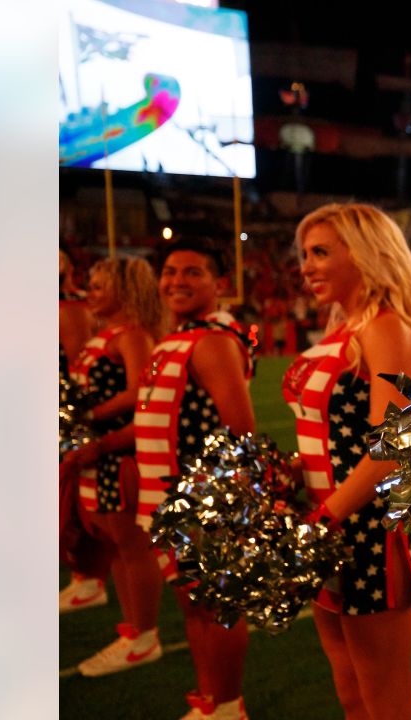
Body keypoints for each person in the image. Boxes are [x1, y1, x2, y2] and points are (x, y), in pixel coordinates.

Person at [285, 203, 411, 720]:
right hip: (327, 526)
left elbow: (393, 447)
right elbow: (328, 434)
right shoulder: (341, 330)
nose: (307, 266)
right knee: (350, 690)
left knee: (385, 699)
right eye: (305, 254)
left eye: (322, 252)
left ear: (367, 255)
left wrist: (323, 519)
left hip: (363, 529)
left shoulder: (385, 327)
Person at [133, 238, 256, 720]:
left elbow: (240, 431)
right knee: (193, 607)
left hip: (200, 501)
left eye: (192, 272)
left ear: (219, 284)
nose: (176, 281)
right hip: (164, 498)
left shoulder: (212, 342)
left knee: (216, 606)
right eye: (169, 271)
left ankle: (228, 705)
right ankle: (212, 702)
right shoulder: (178, 337)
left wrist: (218, 505)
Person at [64, 256, 168, 677]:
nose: (90, 291)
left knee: (133, 547)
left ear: (125, 291)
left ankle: (145, 634)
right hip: (99, 454)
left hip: (122, 453)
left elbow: (141, 393)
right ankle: (132, 630)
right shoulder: (102, 334)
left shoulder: (133, 335)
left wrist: (91, 416)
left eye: (100, 284)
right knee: (115, 543)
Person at [59, 248, 112, 612]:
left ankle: (88, 577)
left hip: (70, 416)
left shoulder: (70, 309)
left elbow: (79, 371)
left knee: (75, 498)